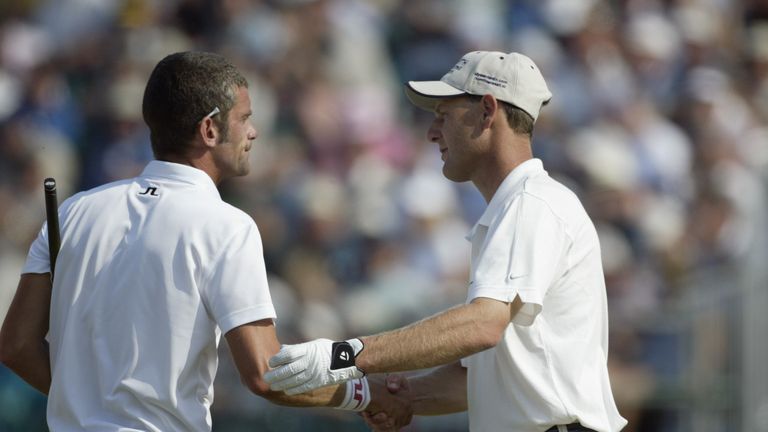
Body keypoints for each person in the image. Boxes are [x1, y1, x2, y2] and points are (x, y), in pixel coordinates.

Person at [0, 51, 410, 431]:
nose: (254, 131)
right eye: (245, 118)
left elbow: (17, 345)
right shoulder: (228, 226)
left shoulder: (74, 210)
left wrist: (90, 404)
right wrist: (363, 393)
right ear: (210, 129)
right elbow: (266, 373)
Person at [264, 51, 629, 432]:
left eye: (445, 115)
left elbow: (481, 326)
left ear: (488, 111)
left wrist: (343, 356)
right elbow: (484, 378)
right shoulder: (520, 207)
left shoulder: (531, 204)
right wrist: (382, 395)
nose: (432, 132)